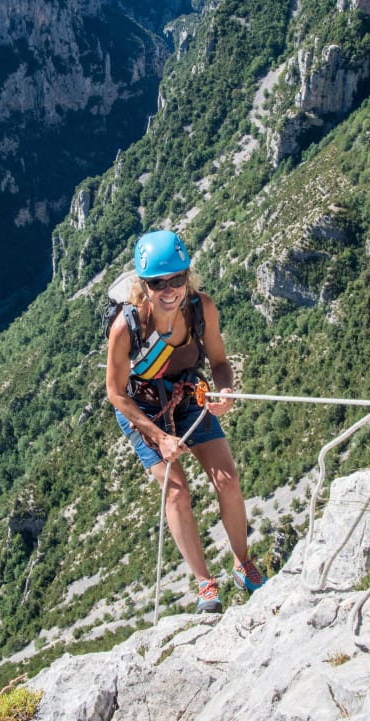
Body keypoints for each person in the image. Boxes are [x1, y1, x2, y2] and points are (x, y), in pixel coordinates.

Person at [106, 229, 265, 614]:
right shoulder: (126, 328)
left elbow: (220, 362)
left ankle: (243, 564)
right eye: (157, 283)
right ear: (144, 286)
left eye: (176, 279)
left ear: (187, 276)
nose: (169, 290)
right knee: (176, 490)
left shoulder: (201, 308)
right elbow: (116, 394)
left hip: (188, 393)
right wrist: (159, 437)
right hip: (142, 408)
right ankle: (204, 583)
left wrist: (224, 391)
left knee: (227, 478)